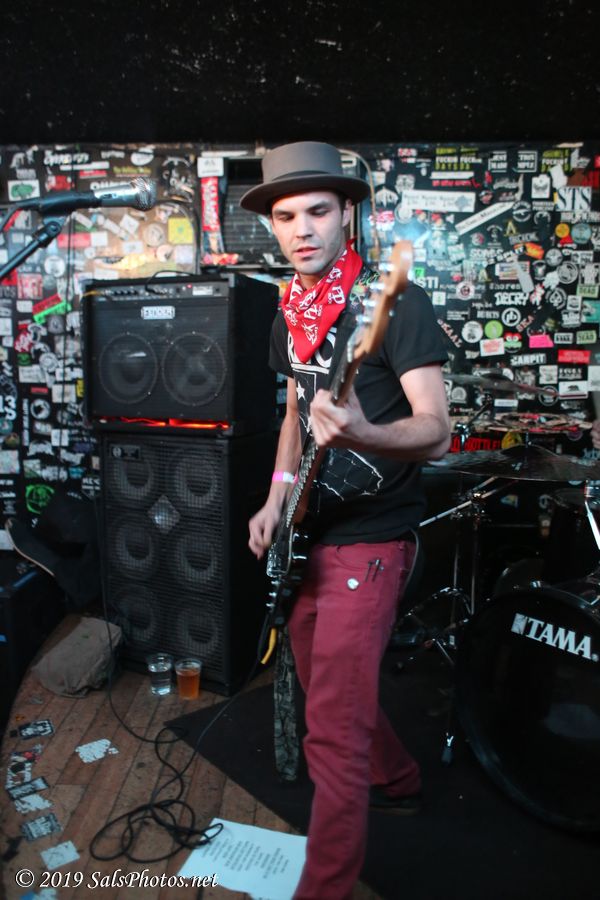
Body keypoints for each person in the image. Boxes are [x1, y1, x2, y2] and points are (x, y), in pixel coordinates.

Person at [241, 141, 451, 900]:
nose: (302, 229)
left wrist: (363, 431)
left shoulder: (397, 304)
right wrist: (275, 496)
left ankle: (323, 888)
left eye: (318, 212)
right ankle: (398, 777)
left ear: (346, 215)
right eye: (286, 216)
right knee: (324, 683)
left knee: (330, 728)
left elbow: (437, 431)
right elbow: (295, 416)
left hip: (373, 538)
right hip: (309, 530)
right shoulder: (289, 314)